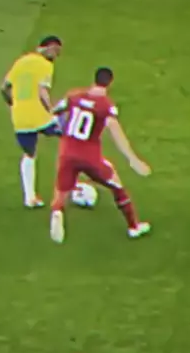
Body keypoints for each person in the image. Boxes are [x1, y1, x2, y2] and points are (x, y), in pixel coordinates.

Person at [50, 67, 151, 243]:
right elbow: (116, 133)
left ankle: (57, 211)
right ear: (110, 83)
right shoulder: (106, 106)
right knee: (116, 185)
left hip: (67, 153)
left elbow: (55, 111)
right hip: (89, 156)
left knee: (61, 190)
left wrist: (61, 126)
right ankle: (134, 227)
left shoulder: (74, 96)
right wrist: (133, 160)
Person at [1, 36, 63, 208]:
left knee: (29, 154)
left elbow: (4, 87)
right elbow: (42, 91)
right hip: (41, 117)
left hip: (20, 117)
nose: (56, 55)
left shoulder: (21, 61)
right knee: (71, 137)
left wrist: (13, 104)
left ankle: (30, 198)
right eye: (56, 51)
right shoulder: (45, 65)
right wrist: (51, 109)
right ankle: (74, 183)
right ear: (48, 48)